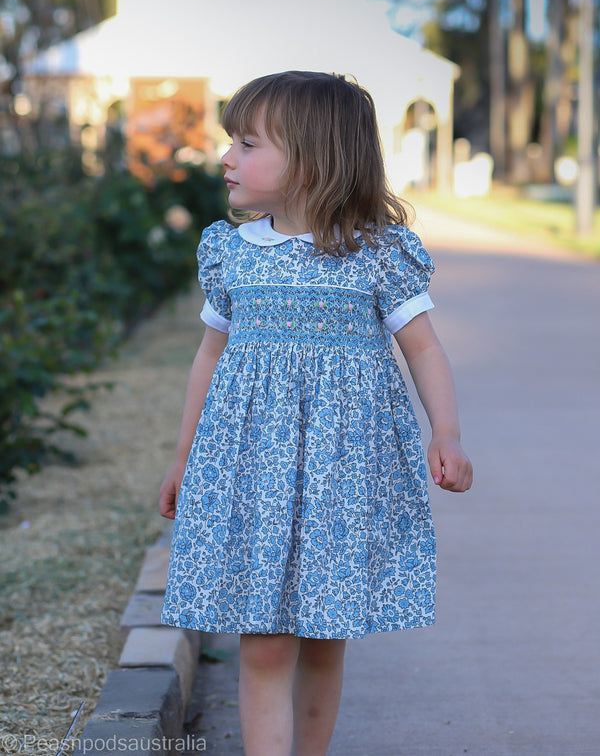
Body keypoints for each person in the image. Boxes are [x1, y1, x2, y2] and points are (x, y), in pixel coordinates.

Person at [159, 71, 472, 756]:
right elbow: (209, 360)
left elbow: (423, 350)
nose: (226, 159)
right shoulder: (232, 253)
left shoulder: (377, 254)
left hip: (341, 473)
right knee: (264, 643)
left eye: (246, 143)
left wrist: (444, 433)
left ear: (312, 159)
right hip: (249, 474)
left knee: (325, 637)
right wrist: (184, 458)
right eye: (229, 143)